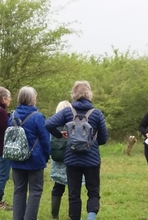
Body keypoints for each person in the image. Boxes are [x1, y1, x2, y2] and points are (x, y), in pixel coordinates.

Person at [45, 80, 108, 220]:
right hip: (92, 160)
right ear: (89, 94)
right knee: (93, 192)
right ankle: (90, 217)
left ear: (73, 94)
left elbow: (48, 124)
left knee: (74, 194)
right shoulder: (96, 114)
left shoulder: (68, 112)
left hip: (72, 159)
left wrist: (60, 134)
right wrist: (92, 141)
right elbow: (104, 139)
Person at [9, 86, 51, 220]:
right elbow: (45, 139)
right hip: (35, 159)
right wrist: (46, 156)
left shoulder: (13, 115)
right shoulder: (37, 117)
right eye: (35, 96)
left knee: (19, 191)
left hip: (16, 158)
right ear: (32, 99)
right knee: (35, 191)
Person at [50, 100, 85, 219]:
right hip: (72, 159)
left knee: (57, 187)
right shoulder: (74, 125)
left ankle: (55, 215)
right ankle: (74, 215)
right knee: (73, 190)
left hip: (57, 160)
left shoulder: (53, 125)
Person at [0, 87, 12, 210]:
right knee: (3, 175)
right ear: (3, 99)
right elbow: (6, 129)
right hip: (1, 149)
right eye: (9, 98)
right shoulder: (2, 112)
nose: (10, 100)